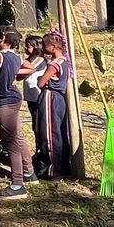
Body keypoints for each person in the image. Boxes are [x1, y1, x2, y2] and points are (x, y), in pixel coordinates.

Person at [0, 28, 32, 198]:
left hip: (6, 101)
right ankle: (29, 172)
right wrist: (15, 76)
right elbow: (29, 68)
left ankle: (17, 184)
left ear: (2, 39)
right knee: (18, 135)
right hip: (14, 98)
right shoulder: (16, 57)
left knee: (10, 141)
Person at [37, 31, 74, 181]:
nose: (43, 49)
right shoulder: (65, 61)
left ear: (53, 47)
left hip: (50, 96)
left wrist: (41, 78)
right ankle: (64, 165)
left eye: (45, 46)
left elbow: (41, 82)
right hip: (60, 98)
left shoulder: (54, 64)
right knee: (60, 131)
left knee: (50, 133)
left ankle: (53, 168)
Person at [18, 35, 48, 178]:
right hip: (31, 98)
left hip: (38, 98)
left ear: (37, 47)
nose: (26, 48)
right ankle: (38, 152)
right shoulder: (30, 60)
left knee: (39, 126)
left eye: (29, 46)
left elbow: (23, 71)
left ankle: (42, 155)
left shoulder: (38, 60)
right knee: (35, 126)